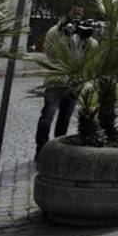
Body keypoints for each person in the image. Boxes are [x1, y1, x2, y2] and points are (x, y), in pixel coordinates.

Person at [35, 10, 92, 157]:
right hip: (56, 81)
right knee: (48, 115)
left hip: (73, 83)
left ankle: (58, 149)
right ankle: (41, 149)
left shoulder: (82, 34)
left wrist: (88, 37)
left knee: (65, 118)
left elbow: (93, 52)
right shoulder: (54, 32)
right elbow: (52, 54)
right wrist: (66, 37)